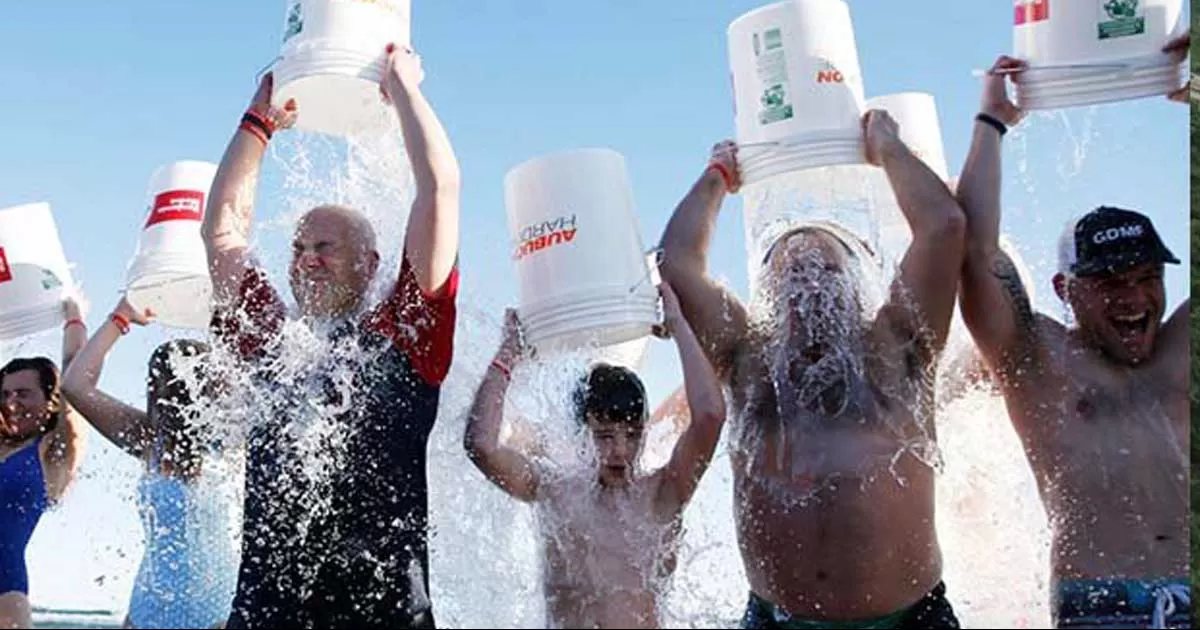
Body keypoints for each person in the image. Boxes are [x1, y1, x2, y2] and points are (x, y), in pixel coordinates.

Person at [658, 109, 967, 629]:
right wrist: (718, 176)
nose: (810, 287)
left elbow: (943, 226)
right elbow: (678, 263)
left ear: (857, 285)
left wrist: (887, 146)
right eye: (790, 275)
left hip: (910, 620)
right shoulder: (749, 364)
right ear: (768, 299)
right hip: (778, 620)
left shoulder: (898, 351)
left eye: (826, 269)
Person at [203, 42, 460, 629]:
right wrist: (258, 122)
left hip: (388, 615)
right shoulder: (270, 336)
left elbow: (438, 190)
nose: (306, 260)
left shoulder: (407, 334)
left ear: (370, 264)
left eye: (325, 248)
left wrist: (405, 92)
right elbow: (222, 231)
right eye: (297, 248)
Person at [954, 55, 1189, 629]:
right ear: (1065, 289)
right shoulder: (1040, 359)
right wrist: (990, 122)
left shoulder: (1183, 348)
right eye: (1110, 283)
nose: (1134, 299)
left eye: (1146, 278)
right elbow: (976, 254)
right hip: (1099, 607)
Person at [463, 282, 726, 629]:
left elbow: (709, 416)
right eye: (603, 436)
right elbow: (481, 445)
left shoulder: (662, 496)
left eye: (632, 436)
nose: (619, 451)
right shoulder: (554, 492)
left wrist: (678, 325)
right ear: (580, 435)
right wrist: (507, 355)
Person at [61, 296, 240, 630]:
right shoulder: (151, 441)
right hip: (147, 609)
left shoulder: (236, 443)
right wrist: (120, 318)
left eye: (180, 382)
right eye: (161, 381)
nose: (170, 392)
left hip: (220, 611)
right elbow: (74, 386)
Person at [0, 298, 88, 629]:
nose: (11, 403)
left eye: (23, 393)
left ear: (49, 400)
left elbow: (76, 375)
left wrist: (75, 318)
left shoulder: (54, 451)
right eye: (5, 394)